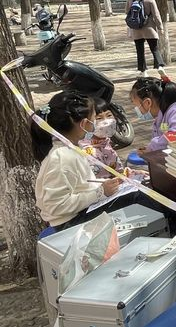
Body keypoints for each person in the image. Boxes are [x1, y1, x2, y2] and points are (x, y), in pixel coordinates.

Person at [32, 92, 122, 229]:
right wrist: (100, 192)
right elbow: (55, 206)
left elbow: (80, 184)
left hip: (79, 215)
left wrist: (107, 184)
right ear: (85, 124)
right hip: (73, 223)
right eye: (95, 119)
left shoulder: (70, 149)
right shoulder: (62, 157)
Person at [130, 77, 176, 153]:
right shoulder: (163, 114)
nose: (136, 109)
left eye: (136, 105)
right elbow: (165, 135)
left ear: (147, 103)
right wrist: (151, 148)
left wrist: (152, 147)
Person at [129, 0, 166, 78]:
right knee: (154, 48)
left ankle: (143, 71)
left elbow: (127, 13)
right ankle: (160, 66)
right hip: (149, 29)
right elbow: (156, 15)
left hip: (136, 29)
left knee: (140, 51)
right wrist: (160, 27)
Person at [79, 98, 124, 179]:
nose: (106, 122)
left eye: (109, 115)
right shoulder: (87, 150)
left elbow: (118, 170)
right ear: (87, 122)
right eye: (99, 118)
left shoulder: (105, 141)